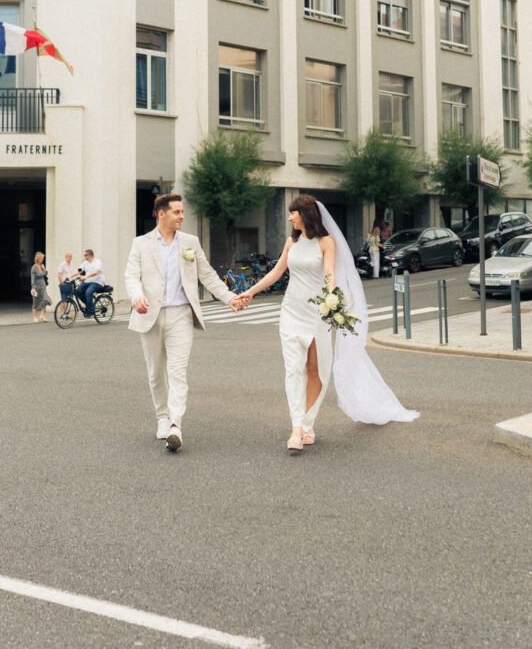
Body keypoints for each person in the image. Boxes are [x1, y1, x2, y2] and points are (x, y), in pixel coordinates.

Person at [243, 194, 419, 453]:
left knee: (317, 371)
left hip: (317, 314)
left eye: (294, 212)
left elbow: (329, 275)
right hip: (291, 312)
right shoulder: (291, 242)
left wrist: (331, 300)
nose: (290, 217)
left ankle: (308, 423)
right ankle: (296, 428)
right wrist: (250, 292)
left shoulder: (327, 242)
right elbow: (276, 272)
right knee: (293, 369)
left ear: (306, 215)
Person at [124, 192, 243, 452]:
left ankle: (176, 424)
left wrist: (229, 298)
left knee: (177, 371)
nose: (181, 216)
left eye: (182, 212)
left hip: (181, 314)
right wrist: (136, 296)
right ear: (161, 213)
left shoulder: (190, 242)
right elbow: (131, 276)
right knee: (156, 372)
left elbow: (208, 275)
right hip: (150, 315)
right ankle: (162, 418)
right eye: (176, 212)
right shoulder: (141, 243)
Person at [76, 249, 106, 318]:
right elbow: (78, 270)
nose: (84, 256)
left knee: (88, 292)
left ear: (90, 255)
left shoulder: (97, 262)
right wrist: (69, 276)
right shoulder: (85, 262)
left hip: (98, 282)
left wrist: (86, 276)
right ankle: (90, 305)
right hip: (88, 281)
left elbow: (96, 272)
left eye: (85, 255)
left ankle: (90, 311)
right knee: (77, 291)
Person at [30, 252, 51, 323]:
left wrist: (44, 269)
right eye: (41, 258)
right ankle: (35, 317)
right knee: (35, 302)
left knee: (45, 299)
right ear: (37, 259)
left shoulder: (42, 266)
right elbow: (33, 278)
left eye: (43, 258)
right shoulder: (34, 267)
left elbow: (45, 274)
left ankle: (42, 315)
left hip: (43, 285)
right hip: (36, 285)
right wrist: (33, 287)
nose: (42, 259)